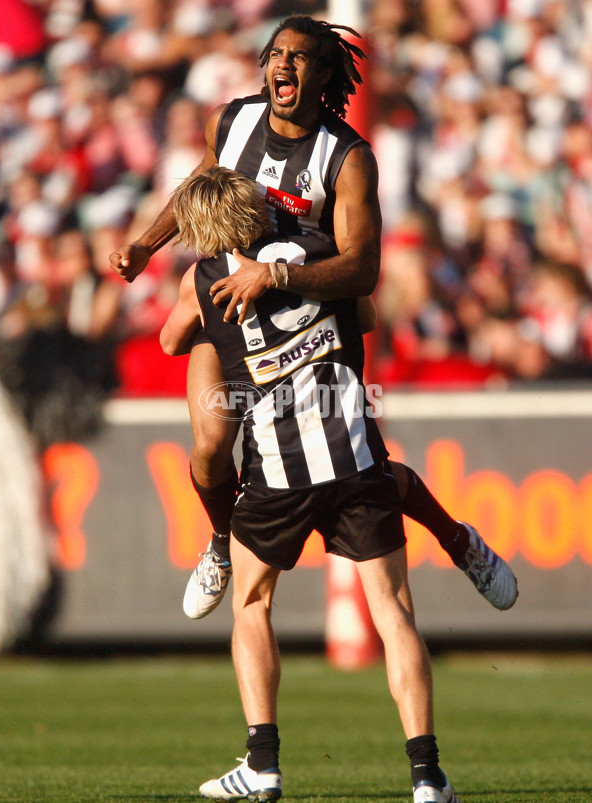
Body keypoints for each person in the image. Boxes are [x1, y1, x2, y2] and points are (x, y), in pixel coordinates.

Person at [109, 14, 516, 620]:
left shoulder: (345, 156)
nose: (284, 65)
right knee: (211, 439)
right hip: (229, 302)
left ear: (323, 74)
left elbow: (361, 273)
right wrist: (147, 245)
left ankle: (457, 539)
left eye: (299, 57)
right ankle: (221, 542)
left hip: (310, 309)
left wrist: (277, 277)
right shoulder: (233, 121)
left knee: (356, 468)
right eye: (277, 53)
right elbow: (201, 182)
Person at [172, 163, 465, 803]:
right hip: (354, 454)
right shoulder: (324, 254)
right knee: (394, 612)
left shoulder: (207, 278)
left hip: (278, 469)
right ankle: (427, 776)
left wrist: (213, 333)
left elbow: (171, 339)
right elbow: (362, 315)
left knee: (252, 604)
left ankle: (263, 765)